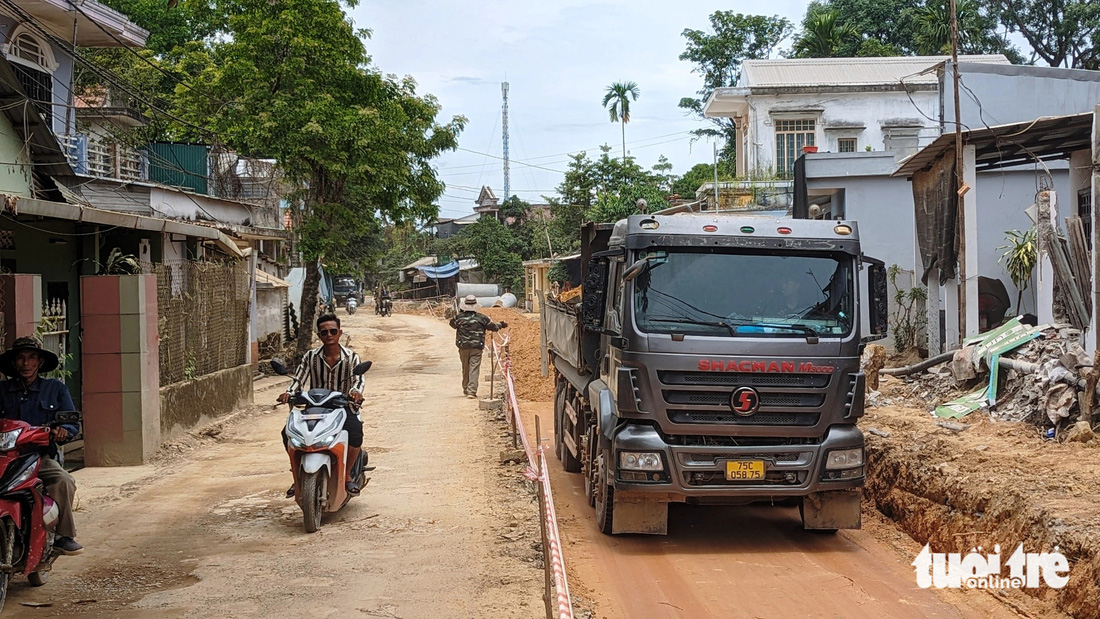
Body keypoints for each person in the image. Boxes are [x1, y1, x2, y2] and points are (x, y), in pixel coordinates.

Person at [0, 337, 82, 554]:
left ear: (40, 363)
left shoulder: (55, 389)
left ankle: (63, 536)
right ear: (14, 362)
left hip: (38, 459)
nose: (26, 364)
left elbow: (71, 423)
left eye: (31, 358)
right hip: (5, 460)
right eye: (21, 358)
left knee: (64, 481)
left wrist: (63, 431)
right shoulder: (1, 390)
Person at [278, 314, 365, 496]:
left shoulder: (351, 357)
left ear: (340, 333)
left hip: (343, 408)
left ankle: (348, 475)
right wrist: (289, 392)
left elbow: (359, 380)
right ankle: (297, 475)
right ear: (319, 335)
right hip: (314, 409)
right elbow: (298, 379)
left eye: (333, 331)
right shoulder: (310, 357)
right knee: (288, 433)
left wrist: (356, 393)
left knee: (355, 431)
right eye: (324, 332)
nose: (329, 335)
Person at [448, 295, 507, 399]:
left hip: (463, 347)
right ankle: (471, 391)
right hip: (476, 347)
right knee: (474, 368)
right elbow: (493, 327)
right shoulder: (482, 318)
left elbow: (452, 324)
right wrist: (501, 324)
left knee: (465, 368)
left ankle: (466, 388)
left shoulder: (458, 317)